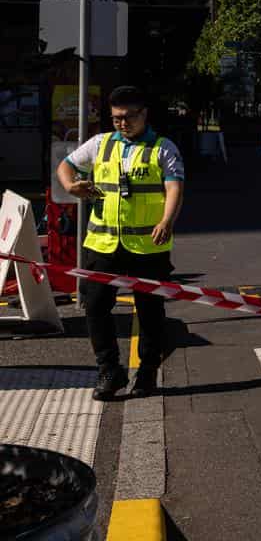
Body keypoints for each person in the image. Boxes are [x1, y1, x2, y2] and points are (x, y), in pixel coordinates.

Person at [57, 86, 185, 400]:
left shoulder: (162, 148)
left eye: (128, 117)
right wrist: (71, 186)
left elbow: (174, 188)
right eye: (116, 118)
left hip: (147, 247)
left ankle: (147, 372)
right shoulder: (100, 144)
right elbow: (66, 165)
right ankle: (109, 371)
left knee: (151, 312)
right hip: (102, 244)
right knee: (96, 308)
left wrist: (166, 221)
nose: (122, 124)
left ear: (144, 114)